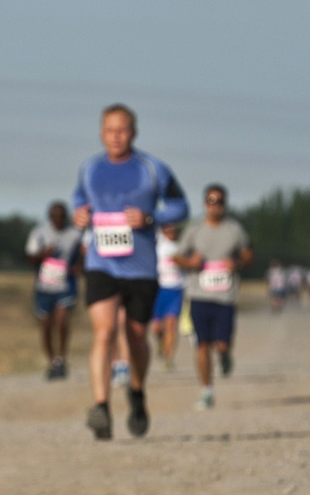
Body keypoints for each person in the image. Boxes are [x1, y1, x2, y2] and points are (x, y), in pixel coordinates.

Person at [72, 103, 189, 440]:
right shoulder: (90, 169)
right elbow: (78, 201)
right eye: (110, 130)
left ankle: (137, 394)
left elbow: (181, 206)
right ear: (100, 132)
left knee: (136, 336)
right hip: (101, 263)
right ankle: (101, 407)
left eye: (122, 130)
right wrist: (79, 215)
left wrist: (152, 218)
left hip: (140, 268)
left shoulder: (153, 169)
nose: (116, 136)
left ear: (134, 133)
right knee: (105, 332)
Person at [173, 184, 252, 410]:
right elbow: (177, 257)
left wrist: (236, 263)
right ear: (204, 203)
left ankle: (225, 356)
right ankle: (207, 390)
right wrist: (190, 263)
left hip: (225, 297)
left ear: (225, 204)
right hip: (199, 295)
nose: (215, 206)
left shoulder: (234, 230)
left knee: (221, 344)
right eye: (211, 200)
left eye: (220, 201)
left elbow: (248, 254)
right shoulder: (194, 230)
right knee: (202, 344)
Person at [24, 201, 82, 380]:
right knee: (46, 325)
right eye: (55, 216)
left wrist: (78, 267)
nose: (58, 219)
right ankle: (52, 361)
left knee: (62, 321)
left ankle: (61, 358)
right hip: (44, 287)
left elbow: (83, 255)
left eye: (62, 216)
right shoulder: (39, 233)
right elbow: (29, 256)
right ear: (50, 217)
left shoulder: (75, 234)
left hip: (65, 286)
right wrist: (43, 254)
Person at [151, 223, 185, 370]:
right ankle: (161, 342)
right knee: (157, 328)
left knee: (171, 324)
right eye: (168, 227)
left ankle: (169, 357)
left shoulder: (182, 246)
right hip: (158, 289)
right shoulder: (157, 244)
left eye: (173, 227)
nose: (171, 230)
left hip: (176, 289)